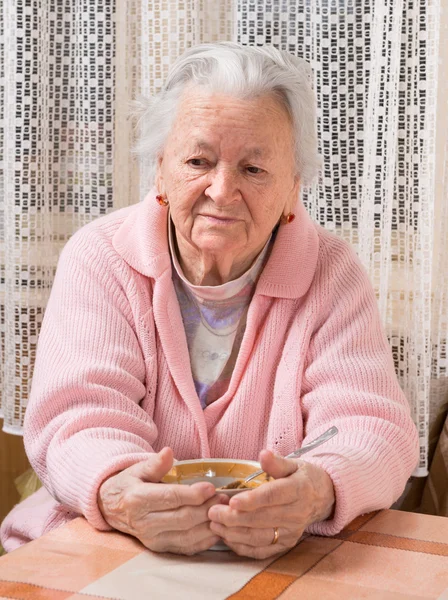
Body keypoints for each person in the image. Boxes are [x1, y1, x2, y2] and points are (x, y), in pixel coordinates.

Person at [1, 42, 419, 559]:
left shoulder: (331, 272)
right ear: (160, 170)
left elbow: (371, 427)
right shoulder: (101, 257)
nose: (222, 191)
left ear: (293, 188)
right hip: (111, 543)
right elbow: (79, 417)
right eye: (199, 160)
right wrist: (120, 492)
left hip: (278, 553)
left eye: (254, 169)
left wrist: (317, 490)